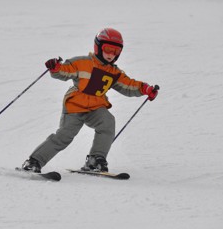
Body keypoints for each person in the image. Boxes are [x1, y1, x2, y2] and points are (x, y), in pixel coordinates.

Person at [22, 28, 159, 173]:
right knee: (64, 136)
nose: (111, 54)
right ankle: (34, 162)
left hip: (96, 107)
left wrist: (145, 89)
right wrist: (56, 68)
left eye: (116, 51)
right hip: (75, 106)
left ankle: (95, 160)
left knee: (107, 123)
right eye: (108, 49)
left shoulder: (115, 72)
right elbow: (65, 71)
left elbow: (129, 85)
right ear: (98, 47)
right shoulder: (83, 63)